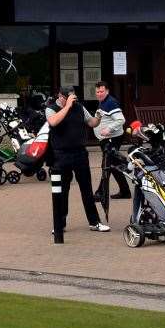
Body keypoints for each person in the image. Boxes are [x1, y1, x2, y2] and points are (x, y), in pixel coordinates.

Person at [44, 87, 106, 242]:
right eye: (68, 97)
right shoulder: (51, 109)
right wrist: (67, 107)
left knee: (87, 189)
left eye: (73, 97)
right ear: (60, 96)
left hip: (80, 153)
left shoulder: (79, 107)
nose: (72, 100)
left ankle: (94, 222)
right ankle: (60, 224)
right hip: (61, 154)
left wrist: (98, 117)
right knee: (62, 191)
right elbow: (54, 122)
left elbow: (91, 122)